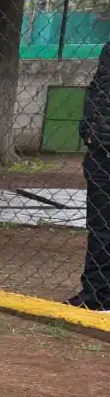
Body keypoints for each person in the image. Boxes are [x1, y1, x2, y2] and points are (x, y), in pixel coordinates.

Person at [68, 42, 110, 313]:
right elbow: (97, 91)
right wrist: (89, 131)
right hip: (102, 156)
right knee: (101, 228)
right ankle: (97, 293)